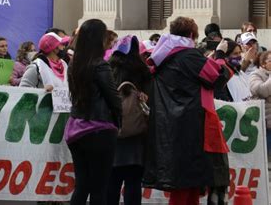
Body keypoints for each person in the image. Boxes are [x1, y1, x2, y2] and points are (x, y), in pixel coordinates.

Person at [143, 16, 231, 205]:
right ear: (191, 34)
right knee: (186, 182)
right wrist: (221, 56)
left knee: (187, 182)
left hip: (171, 124)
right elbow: (216, 78)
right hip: (193, 124)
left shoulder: (163, 56)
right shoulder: (188, 56)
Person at [64, 19, 122, 205]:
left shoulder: (73, 64)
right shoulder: (100, 65)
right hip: (100, 129)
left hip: (76, 128)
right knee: (99, 188)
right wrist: (118, 123)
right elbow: (114, 99)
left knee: (82, 186)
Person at [107, 35, 152, 205]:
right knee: (133, 182)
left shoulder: (108, 68)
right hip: (137, 137)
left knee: (111, 182)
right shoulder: (142, 70)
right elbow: (151, 102)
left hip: (112, 134)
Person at [249, 51, 271, 160]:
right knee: (266, 158)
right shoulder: (256, 74)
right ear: (263, 63)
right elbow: (261, 91)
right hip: (266, 124)